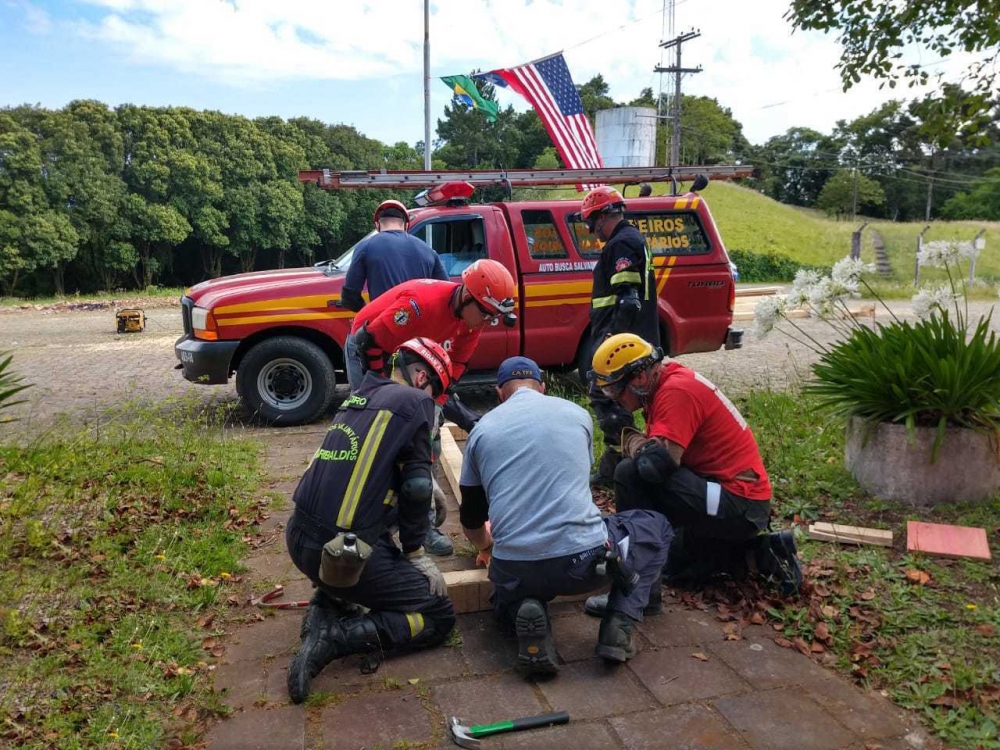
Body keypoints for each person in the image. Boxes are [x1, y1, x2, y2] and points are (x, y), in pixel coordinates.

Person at [459, 356, 673, 675]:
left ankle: (524, 608)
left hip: (517, 569)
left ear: (499, 392)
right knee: (657, 526)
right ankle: (620, 620)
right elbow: (571, 480)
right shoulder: (577, 415)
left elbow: (472, 517)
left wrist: (486, 547)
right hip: (584, 565)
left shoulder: (481, 430)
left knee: (508, 593)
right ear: (542, 388)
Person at [284, 337, 457, 704]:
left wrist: (426, 488)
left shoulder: (361, 394)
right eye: (437, 392)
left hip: (299, 537)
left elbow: (369, 465)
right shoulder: (417, 401)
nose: (436, 402)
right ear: (423, 376)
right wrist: (415, 552)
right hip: (343, 553)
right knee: (438, 615)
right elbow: (413, 487)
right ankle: (335, 640)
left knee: (372, 545)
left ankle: (326, 603)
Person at [584, 333, 802, 604]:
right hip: (729, 496)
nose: (614, 398)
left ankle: (636, 592)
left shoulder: (676, 392)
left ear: (639, 377)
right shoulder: (665, 380)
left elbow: (656, 465)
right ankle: (765, 553)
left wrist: (627, 436)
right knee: (673, 565)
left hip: (738, 502)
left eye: (614, 390)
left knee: (630, 474)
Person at [350, 259, 516, 555]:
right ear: (467, 296)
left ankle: (423, 524)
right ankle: (368, 521)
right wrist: (383, 394)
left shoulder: (471, 321)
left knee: (427, 440)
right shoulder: (420, 305)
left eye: (494, 318)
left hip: (417, 357)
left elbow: (455, 369)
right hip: (372, 348)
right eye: (487, 315)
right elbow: (371, 345)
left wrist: (433, 411)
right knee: (377, 432)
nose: (487, 323)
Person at [580, 186, 659, 488]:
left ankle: (624, 468)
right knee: (627, 400)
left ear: (602, 217)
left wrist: (612, 338)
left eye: (590, 222)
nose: (590, 230)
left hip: (622, 340)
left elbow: (627, 299)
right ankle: (623, 465)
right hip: (633, 338)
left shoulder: (622, 243)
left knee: (605, 396)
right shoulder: (630, 239)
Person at [342, 199, 448, 386]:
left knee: (353, 345)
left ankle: (360, 398)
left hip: (383, 334)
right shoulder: (428, 250)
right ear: (406, 225)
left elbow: (349, 297)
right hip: (417, 340)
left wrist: (369, 314)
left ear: (377, 224)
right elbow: (446, 295)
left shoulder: (367, 246)